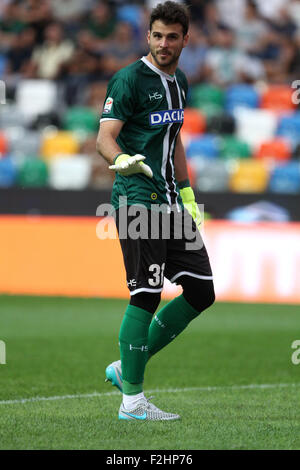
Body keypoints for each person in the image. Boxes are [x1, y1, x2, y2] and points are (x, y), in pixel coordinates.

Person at [96, 1, 215, 421]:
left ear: (185, 39)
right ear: (148, 36)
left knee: (202, 291)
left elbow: (175, 139)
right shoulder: (128, 80)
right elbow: (105, 137)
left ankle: (126, 365)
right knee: (145, 295)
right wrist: (121, 158)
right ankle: (132, 403)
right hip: (136, 199)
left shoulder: (180, 81)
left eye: (172, 37)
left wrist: (185, 192)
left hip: (168, 200)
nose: (164, 43)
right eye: (157, 35)